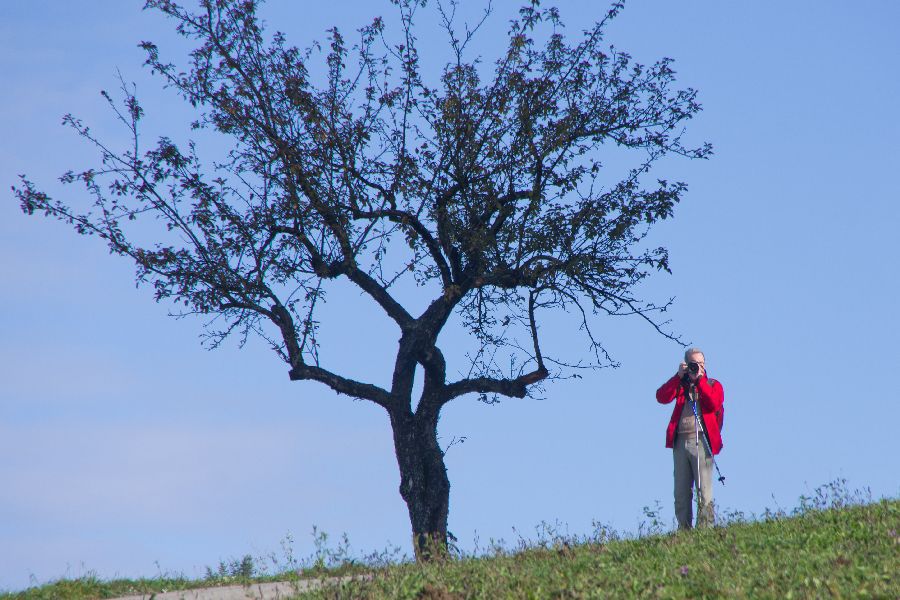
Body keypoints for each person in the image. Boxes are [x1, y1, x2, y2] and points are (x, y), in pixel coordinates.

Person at [656, 347, 724, 529]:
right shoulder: (680, 384)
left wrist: (699, 380)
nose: (698, 367)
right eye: (694, 364)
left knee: (704, 490)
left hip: (702, 440)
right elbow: (661, 397)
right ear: (686, 364)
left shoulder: (711, 384)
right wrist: (678, 377)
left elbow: (713, 403)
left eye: (701, 364)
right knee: (681, 491)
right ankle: (683, 529)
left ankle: (705, 528)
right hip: (680, 441)